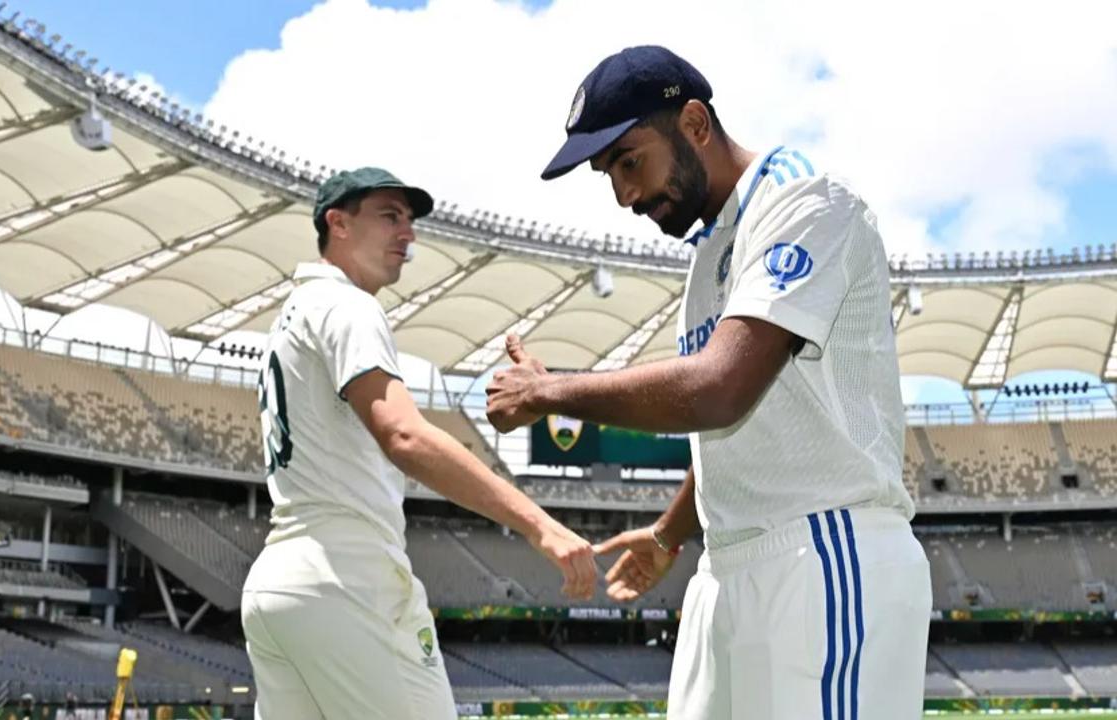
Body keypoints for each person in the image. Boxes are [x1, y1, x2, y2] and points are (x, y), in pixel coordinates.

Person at [486, 46, 931, 720]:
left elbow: (719, 389)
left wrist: (549, 393)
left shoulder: (806, 201)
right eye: (609, 175)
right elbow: (735, 427)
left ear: (694, 123)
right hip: (726, 567)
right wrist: (669, 533)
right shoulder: (711, 251)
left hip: (823, 553)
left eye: (629, 162)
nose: (624, 195)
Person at [241, 167, 597, 720]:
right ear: (337, 222)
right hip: (347, 576)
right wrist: (541, 525)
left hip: (278, 584)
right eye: (389, 215)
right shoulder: (348, 305)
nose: (407, 233)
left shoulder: (292, 314)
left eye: (410, 220)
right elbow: (403, 433)